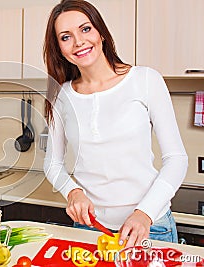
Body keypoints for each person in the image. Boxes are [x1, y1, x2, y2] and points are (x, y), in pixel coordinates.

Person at [43, 0, 188, 248]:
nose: (78, 41)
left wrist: (145, 213)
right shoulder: (61, 96)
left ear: (101, 33)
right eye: (66, 37)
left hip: (149, 228)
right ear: (59, 48)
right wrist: (72, 192)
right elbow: (52, 164)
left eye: (85, 29)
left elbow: (176, 159)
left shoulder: (145, 80)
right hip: (89, 227)